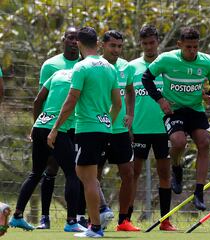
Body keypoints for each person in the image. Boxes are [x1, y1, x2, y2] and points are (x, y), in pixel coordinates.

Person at [47, 26, 121, 238]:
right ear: (97, 43)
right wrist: (108, 122)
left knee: (87, 178)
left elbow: (71, 100)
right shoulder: (109, 67)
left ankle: (95, 227)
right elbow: (117, 103)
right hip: (103, 128)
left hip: (87, 129)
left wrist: (55, 129)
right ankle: (98, 218)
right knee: (83, 174)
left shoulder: (81, 68)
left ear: (79, 43)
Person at [142, 26, 210, 211]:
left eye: (195, 47)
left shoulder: (207, 62)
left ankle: (199, 192)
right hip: (174, 110)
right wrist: (160, 100)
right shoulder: (167, 59)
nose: (192, 51)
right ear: (179, 45)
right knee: (178, 143)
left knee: (204, 141)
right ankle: (177, 168)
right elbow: (147, 78)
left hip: (195, 109)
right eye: (188, 47)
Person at [8, 69, 87, 233]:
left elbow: (37, 101)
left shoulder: (58, 73)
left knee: (35, 173)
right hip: (58, 130)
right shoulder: (83, 76)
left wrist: (35, 125)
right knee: (73, 173)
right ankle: (72, 221)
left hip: (39, 125)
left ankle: (17, 216)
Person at [36, 27, 87, 229]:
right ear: (63, 39)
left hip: (79, 126)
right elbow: (42, 98)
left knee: (78, 171)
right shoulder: (50, 65)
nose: (74, 42)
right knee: (50, 167)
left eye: (78, 39)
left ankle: (77, 218)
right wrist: (39, 127)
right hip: (55, 127)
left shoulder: (86, 65)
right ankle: (44, 217)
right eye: (71, 37)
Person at [127, 25, 176, 231]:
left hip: (163, 129)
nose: (149, 46)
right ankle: (126, 219)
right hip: (139, 129)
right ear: (141, 44)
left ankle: (165, 220)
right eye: (145, 43)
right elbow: (126, 97)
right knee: (133, 174)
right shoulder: (132, 67)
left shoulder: (166, 64)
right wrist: (127, 125)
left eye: (152, 42)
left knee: (165, 173)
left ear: (158, 41)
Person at [98, 30, 138, 231]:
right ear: (102, 45)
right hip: (98, 128)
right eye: (112, 45)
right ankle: (94, 219)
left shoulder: (126, 67)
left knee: (128, 173)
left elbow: (130, 91)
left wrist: (130, 114)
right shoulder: (94, 66)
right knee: (94, 175)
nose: (116, 50)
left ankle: (123, 221)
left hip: (120, 131)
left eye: (119, 46)